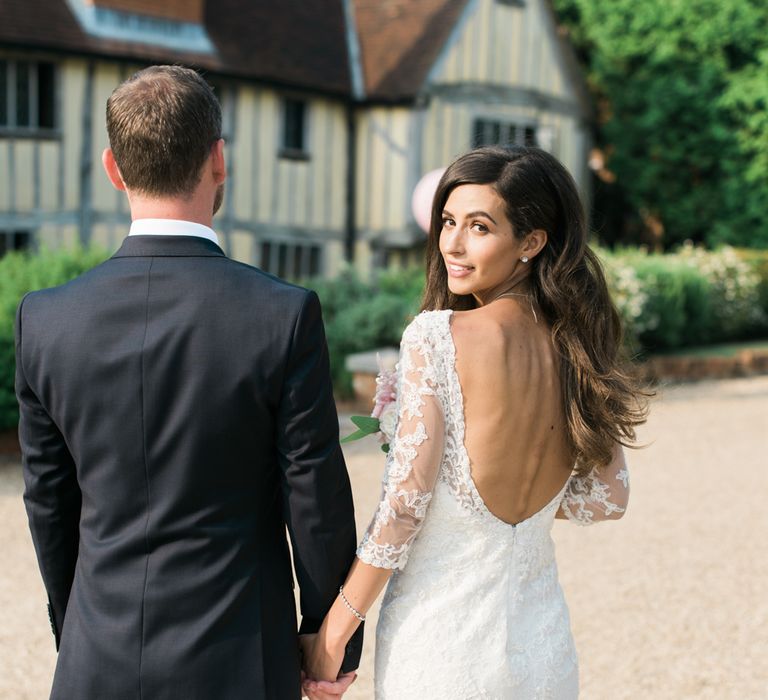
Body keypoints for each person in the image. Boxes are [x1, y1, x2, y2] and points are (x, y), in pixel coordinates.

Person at [15, 65, 361, 699]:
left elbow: (49, 502)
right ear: (219, 160)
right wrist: (328, 638)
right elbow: (313, 495)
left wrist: (80, 630)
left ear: (113, 168)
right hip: (240, 658)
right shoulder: (282, 314)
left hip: (97, 658)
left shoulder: (45, 318)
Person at [302, 145, 648, 699]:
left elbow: (404, 506)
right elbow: (610, 496)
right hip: (542, 653)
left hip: (443, 648)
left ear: (532, 242)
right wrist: (514, 502)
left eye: (479, 227)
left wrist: (334, 633)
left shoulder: (436, 337)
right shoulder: (581, 348)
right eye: (447, 222)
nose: (453, 245)